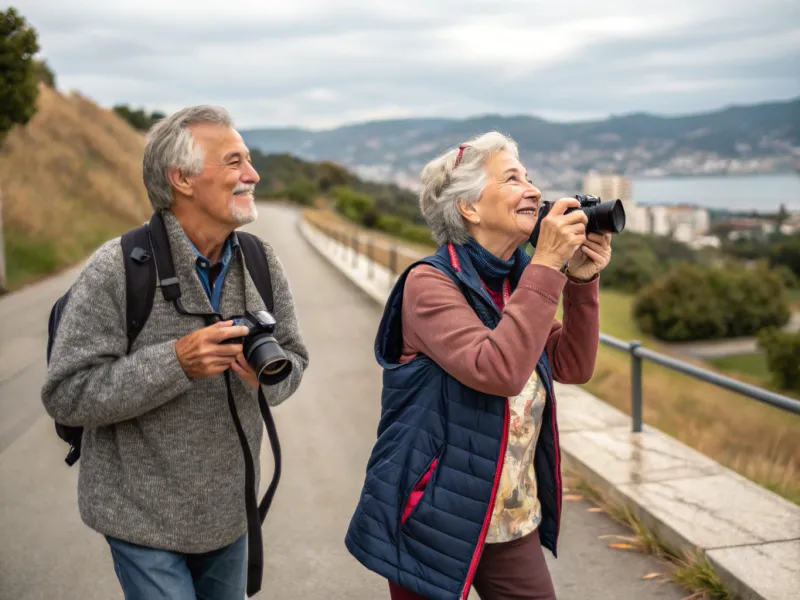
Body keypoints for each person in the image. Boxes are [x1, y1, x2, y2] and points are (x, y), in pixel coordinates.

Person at [41, 105, 309, 600]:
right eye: (234, 162)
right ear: (182, 179)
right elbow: (66, 394)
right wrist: (176, 363)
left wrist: (266, 376)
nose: (252, 174)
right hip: (140, 517)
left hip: (229, 513)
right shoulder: (118, 268)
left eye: (248, 160)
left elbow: (293, 360)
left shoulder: (259, 261)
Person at [344, 132, 610, 600]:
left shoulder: (517, 283)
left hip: (510, 515)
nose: (531, 189)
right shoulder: (429, 285)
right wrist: (547, 263)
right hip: (434, 517)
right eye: (512, 178)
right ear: (469, 207)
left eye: (529, 177)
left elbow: (572, 364)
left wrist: (581, 283)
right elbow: (499, 371)